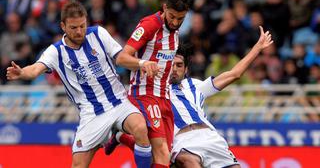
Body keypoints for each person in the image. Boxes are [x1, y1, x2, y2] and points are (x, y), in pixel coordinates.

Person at [6, 0, 152, 168]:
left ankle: (119, 137)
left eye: (82, 26)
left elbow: (120, 58)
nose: (79, 31)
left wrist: (142, 63)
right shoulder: (56, 51)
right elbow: (35, 69)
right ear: (63, 26)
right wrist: (22, 72)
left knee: (141, 129)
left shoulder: (99, 33)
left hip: (119, 102)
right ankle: (117, 135)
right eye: (74, 28)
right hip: (92, 114)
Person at [104, 26, 273, 167]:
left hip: (211, 138)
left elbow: (234, 74)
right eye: (171, 65)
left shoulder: (195, 86)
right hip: (180, 141)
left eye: (179, 65)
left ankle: (121, 137)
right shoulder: (150, 89)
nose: (175, 69)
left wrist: (257, 48)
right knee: (188, 162)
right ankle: (122, 136)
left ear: (186, 70)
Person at [115, 0, 191, 167]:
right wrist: (143, 63)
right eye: (171, 16)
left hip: (165, 97)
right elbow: (121, 58)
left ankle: (122, 137)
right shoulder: (150, 24)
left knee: (164, 156)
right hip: (145, 92)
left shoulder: (175, 32)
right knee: (162, 151)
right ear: (164, 7)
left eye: (180, 18)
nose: (175, 22)